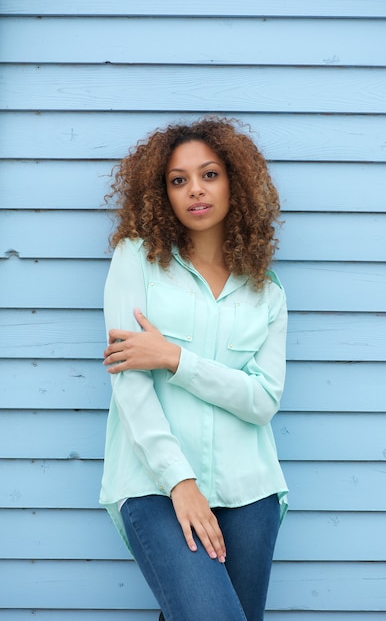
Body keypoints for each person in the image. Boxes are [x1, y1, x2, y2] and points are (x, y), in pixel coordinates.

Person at [99, 116, 288, 621]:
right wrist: (180, 483)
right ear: (163, 194)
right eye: (178, 180)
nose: (195, 190)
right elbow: (131, 386)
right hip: (156, 485)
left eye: (209, 174)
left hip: (249, 491)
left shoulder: (265, 292)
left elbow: (263, 401)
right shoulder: (136, 260)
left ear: (235, 183)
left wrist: (175, 359)